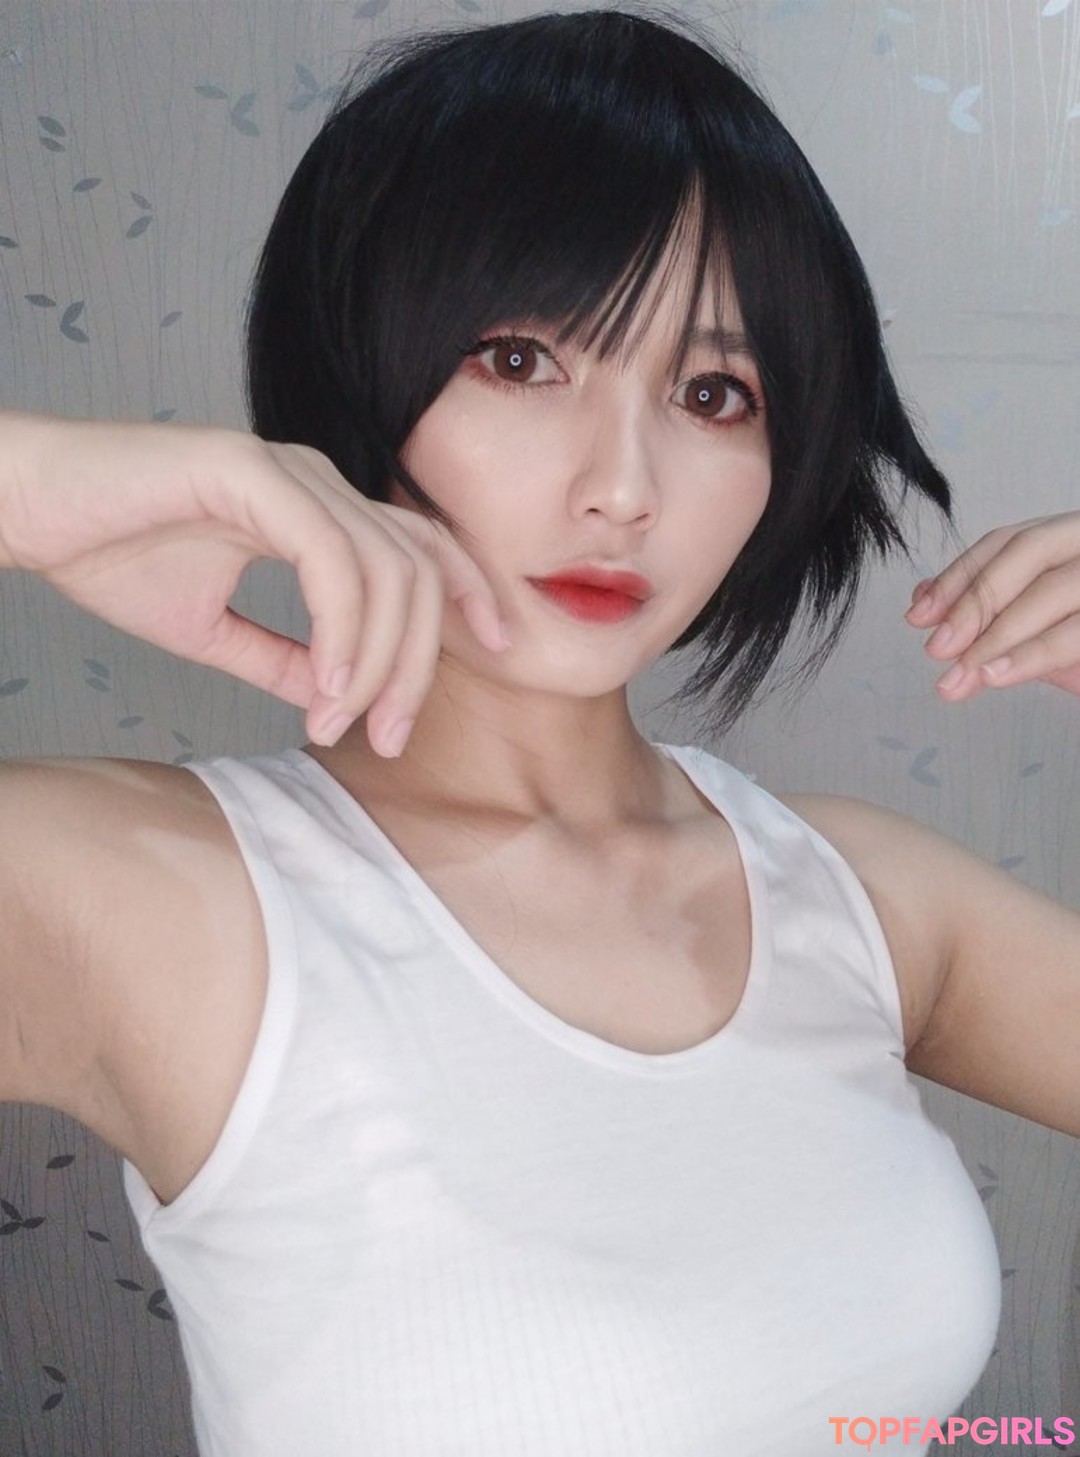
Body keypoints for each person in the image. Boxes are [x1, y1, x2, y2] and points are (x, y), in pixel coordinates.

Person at [1, 8, 1078, 1455]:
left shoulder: (864, 898)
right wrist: (31, 485)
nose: (622, 485)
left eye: (712, 394)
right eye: (519, 361)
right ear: (360, 370)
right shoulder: (149, 897)